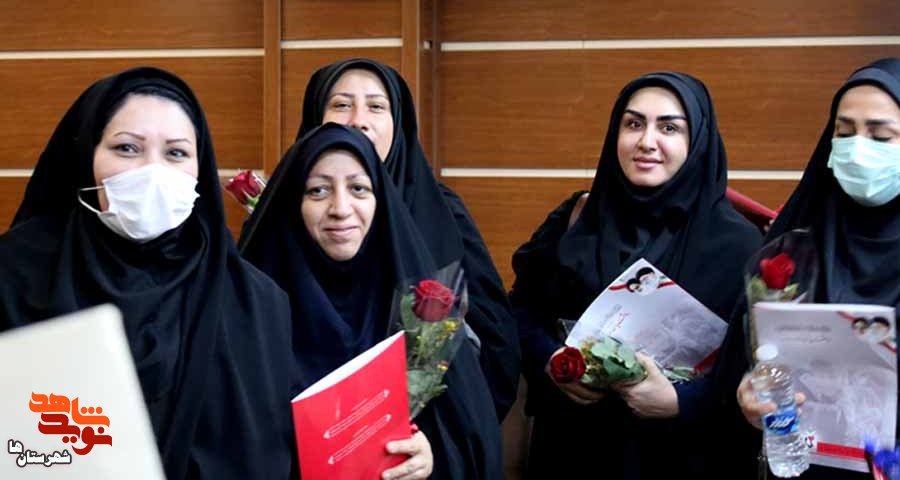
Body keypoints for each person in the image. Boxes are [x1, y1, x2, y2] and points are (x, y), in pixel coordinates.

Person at [0, 67, 296, 480]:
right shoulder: (15, 272)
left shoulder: (255, 300)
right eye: (126, 148)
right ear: (86, 156)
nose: (152, 172)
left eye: (176, 153)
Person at [510, 71, 762, 479]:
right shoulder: (578, 219)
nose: (647, 141)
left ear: (697, 142)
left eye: (669, 128)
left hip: (680, 456)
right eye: (633, 124)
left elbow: (753, 365)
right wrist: (553, 360)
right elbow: (520, 311)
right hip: (572, 448)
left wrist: (683, 400)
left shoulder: (740, 246)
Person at [239, 123, 504, 480]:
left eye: (358, 188)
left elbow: (472, 441)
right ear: (293, 204)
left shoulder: (422, 310)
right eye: (318, 190)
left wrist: (430, 457)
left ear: (381, 201)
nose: (340, 208)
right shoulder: (251, 308)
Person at [294, 58, 520, 421]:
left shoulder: (441, 210)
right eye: (341, 104)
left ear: (398, 122)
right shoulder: (289, 209)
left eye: (376, 106)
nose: (358, 120)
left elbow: (494, 334)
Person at [732, 58, 900, 479]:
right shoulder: (794, 246)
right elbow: (743, 363)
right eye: (843, 132)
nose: (857, 149)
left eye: (880, 136)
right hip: (804, 465)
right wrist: (751, 394)